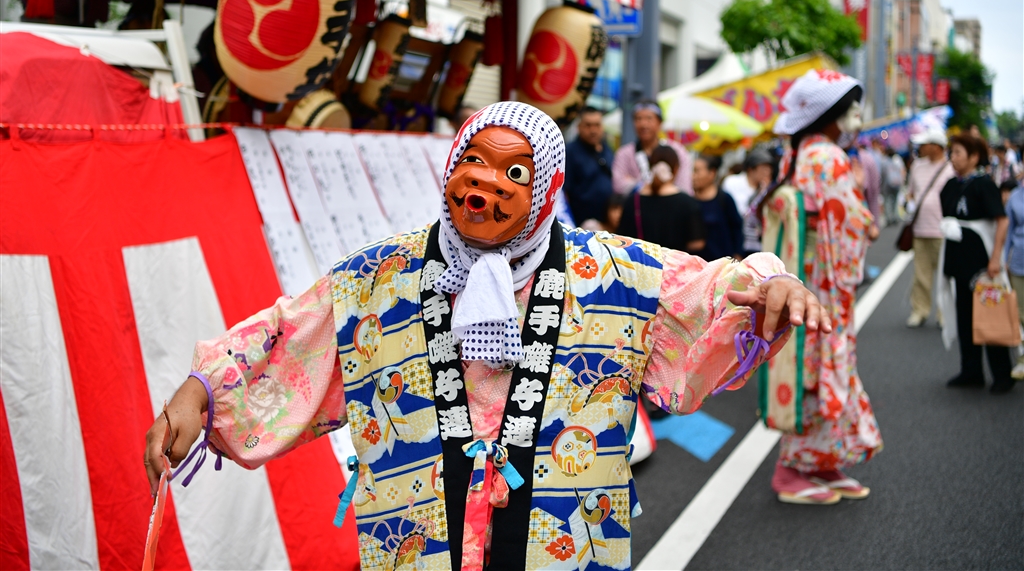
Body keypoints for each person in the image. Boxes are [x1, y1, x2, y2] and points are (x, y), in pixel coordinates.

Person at [143, 102, 828, 570]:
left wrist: (770, 283)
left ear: (548, 187)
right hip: (418, 544)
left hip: (566, 546)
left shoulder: (617, 273)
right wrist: (202, 392)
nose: (484, 183)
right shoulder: (377, 278)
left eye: (514, 172)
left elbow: (709, 289)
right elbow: (290, 336)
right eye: (472, 160)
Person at [764, 69, 882, 505]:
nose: (855, 116)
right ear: (831, 114)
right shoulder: (829, 157)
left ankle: (821, 461)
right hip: (826, 280)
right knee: (821, 366)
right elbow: (851, 219)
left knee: (811, 366)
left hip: (804, 272)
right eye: (850, 108)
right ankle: (791, 468)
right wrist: (868, 223)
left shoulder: (795, 155)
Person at [938, 133, 1015, 394]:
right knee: (964, 316)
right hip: (958, 259)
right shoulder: (951, 184)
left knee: (989, 313)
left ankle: (1002, 374)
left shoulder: (984, 184)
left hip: (981, 261)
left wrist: (996, 258)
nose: (953, 158)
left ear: (973, 157)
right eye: (952, 153)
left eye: (958, 153)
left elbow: (1001, 221)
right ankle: (971, 370)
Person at [905, 130, 955, 328]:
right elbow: (910, 192)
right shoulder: (917, 166)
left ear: (935, 146)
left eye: (924, 144)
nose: (920, 148)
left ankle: (944, 315)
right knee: (921, 275)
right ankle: (920, 310)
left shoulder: (950, 168)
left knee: (945, 277)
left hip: (942, 231)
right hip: (920, 229)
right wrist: (909, 204)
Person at [617, 145, 706, 253]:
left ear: (650, 166)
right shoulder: (688, 203)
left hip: (640, 262)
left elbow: (622, 240)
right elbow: (697, 243)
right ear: (676, 169)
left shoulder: (633, 201)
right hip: (674, 262)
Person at [611, 100, 692, 195]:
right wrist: (654, 186)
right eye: (638, 119)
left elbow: (684, 187)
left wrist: (635, 183)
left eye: (649, 119)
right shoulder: (624, 153)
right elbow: (618, 185)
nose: (643, 124)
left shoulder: (677, 151)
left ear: (660, 123)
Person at [564, 107, 614, 227]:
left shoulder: (607, 149)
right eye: (588, 125)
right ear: (579, 127)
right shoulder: (570, 152)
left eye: (597, 125)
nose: (593, 130)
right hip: (580, 223)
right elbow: (564, 192)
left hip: (607, 222)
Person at [692, 154, 744, 261]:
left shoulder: (724, 199)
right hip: (696, 264)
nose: (693, 176)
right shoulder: (690, 202)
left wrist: (738, 254)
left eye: (697, 171)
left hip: (723, 263)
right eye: (693, 171)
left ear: (712, 173)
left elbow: (736, 228)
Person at [1003, 180, 1024, 380]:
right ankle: (1022, 359)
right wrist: (1002, 259)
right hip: (1019, 262)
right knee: (1020, 313)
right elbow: (1008, 230)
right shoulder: (1015, 196)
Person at [722, 150, 774, 217]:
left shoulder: (767, 189)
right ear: (750, 170)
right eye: (764, 168)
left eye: (769, 169)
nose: (767, 172)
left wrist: (764, 191)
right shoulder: (731, 182)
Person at [882, 147, 906, 225]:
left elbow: (883, 174)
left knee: (887, 201)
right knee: (895, 201)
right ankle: (895, 216)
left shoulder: (884, 161)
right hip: (897, 183)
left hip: (888, 184)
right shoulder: (898, 160)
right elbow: (902, 171)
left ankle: (889, 218)